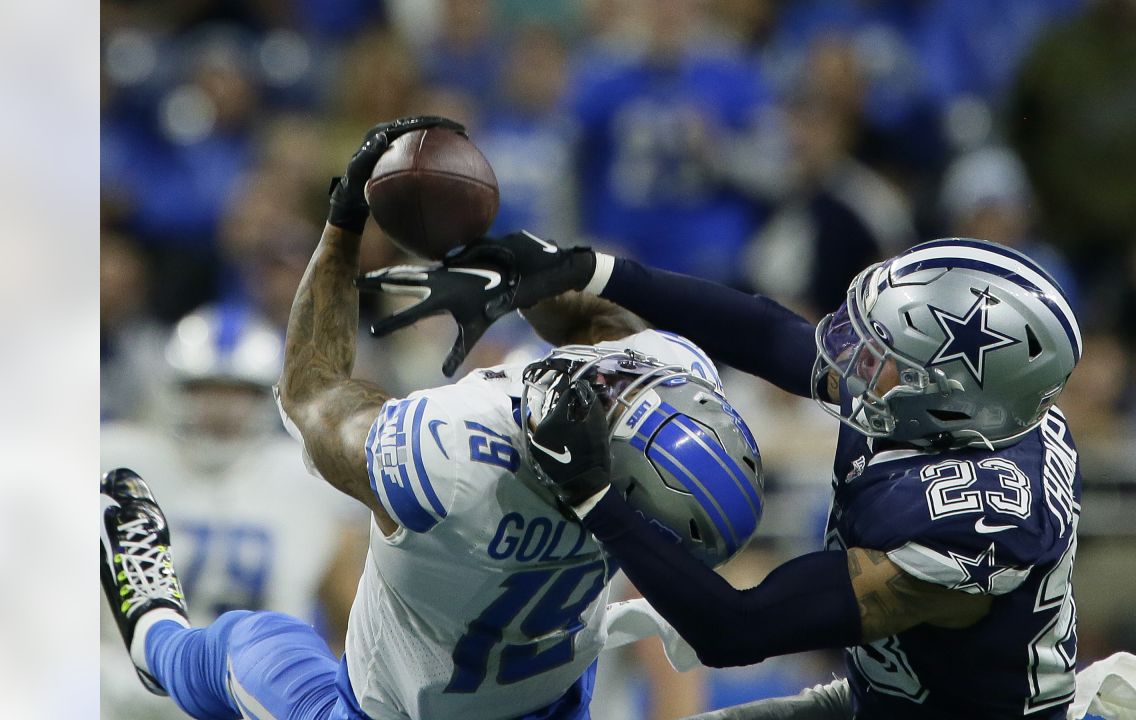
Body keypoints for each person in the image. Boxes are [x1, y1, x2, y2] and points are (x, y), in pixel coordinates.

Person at [99, 116, 764, 720]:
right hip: (550, 706)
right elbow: (612, 330)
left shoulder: (449, 455)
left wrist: (343, 227)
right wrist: (507, 268)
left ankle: (152, 624)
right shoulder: (665, 394)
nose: (618, 376)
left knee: (257, 644)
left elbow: (310, 392)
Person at [376, 229, 1085, 718]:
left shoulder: (973, 525)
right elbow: (769, 333)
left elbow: (735, 629)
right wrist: (591, 269)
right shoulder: (951, 414)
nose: (856, 354)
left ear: (955, 399)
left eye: (888, 352)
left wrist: (594, 497)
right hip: (883, 699)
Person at [100, 302, 366, 720]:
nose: (220, 409)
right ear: (175, 389)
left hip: (253, 697)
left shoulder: (307, 478)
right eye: (205, 389)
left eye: (236, 392)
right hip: (127, 700)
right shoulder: (121, 460)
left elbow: (352, 625)